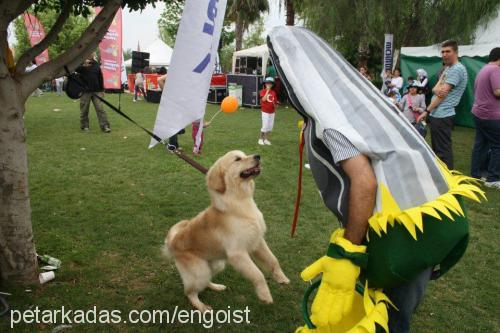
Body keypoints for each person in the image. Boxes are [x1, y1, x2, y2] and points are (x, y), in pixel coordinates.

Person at [418, 40, 468, 170]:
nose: (445, 54)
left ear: (456, 52)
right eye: (443, 52)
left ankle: (448, 180)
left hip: (443, 115)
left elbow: (441, 95)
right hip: (438, 114)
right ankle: (442, 177)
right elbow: (435, 88)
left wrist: (427, 111)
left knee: (443, 151)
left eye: (448, 51)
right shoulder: (448, 68)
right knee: (437, 150)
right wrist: (437, 89)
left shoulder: (457, 69)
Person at [470, 47, 500, 189]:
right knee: (497, 145)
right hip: (491, 115)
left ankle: (475, 174)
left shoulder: (484, 69)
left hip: (478, 113)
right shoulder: (495, 70)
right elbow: (497, 92)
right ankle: (493, 178)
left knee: (480, 144)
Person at [76, 54, 111, 133]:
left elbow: (100, 77)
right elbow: (75, 69)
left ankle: (105, 126)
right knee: (84, 110)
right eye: (90, 53)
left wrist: (102, 90)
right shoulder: (81, 63)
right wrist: (84, 65)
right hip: (85, 91)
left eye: (92, 53)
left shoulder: (96, 64)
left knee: (100, 109)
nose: (91, 54)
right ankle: (85, 126)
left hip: (97, 91)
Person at [258, 77, 278, 145]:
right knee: (265, 126)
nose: (268, 84)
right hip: (265, 111)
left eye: (270, 83)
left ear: (272, 85)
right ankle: (260, 139)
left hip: (272, 112)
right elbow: (263, 99)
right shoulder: (262, 91)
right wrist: (267, 91)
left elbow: (274, 102)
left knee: (270, 127)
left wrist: (275, 105)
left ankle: (265, 139)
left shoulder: (274, 92)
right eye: (267, 83)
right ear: (265, 84)